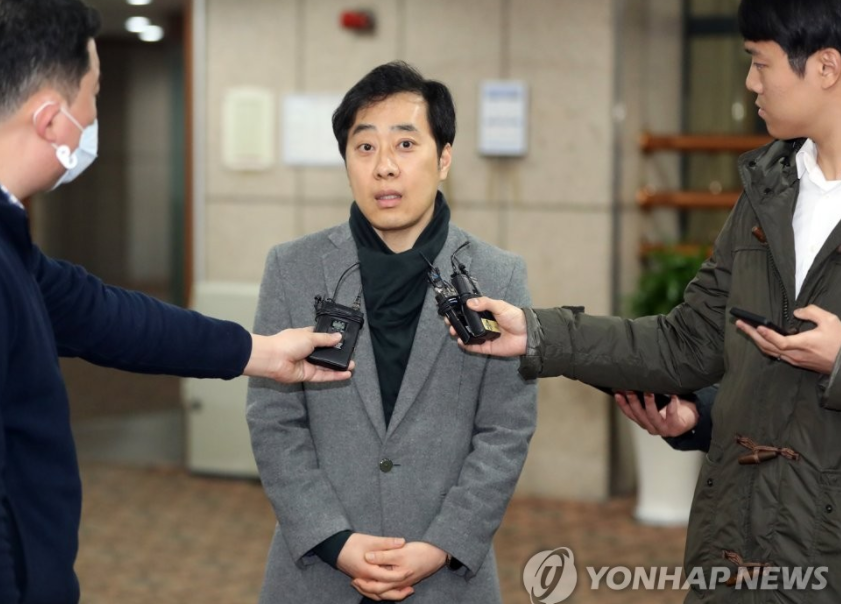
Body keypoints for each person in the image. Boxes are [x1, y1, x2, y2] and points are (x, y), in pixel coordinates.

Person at [457, 0, 841, 600]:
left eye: (760, 63)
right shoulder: (769, 189)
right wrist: (538, 333)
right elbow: (687, 341)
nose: (750, 82)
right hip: (736, 556)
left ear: (826, 68)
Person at [0, 2, 353, 603]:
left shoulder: (11, 245)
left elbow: (103, 316)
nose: (94, 117)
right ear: (52, 120)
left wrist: (259, 352)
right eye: (93, 96)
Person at [246, 61, 537, 603]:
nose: (384, 167)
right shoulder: (292, 268)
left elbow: (506, 429)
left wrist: (443, 544)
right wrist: (334, 540)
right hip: (319, 573)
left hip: (446, 575)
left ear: (443, 158)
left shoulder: (497, 277)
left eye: (405, 145)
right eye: (365, 147)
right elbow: (274, 421)